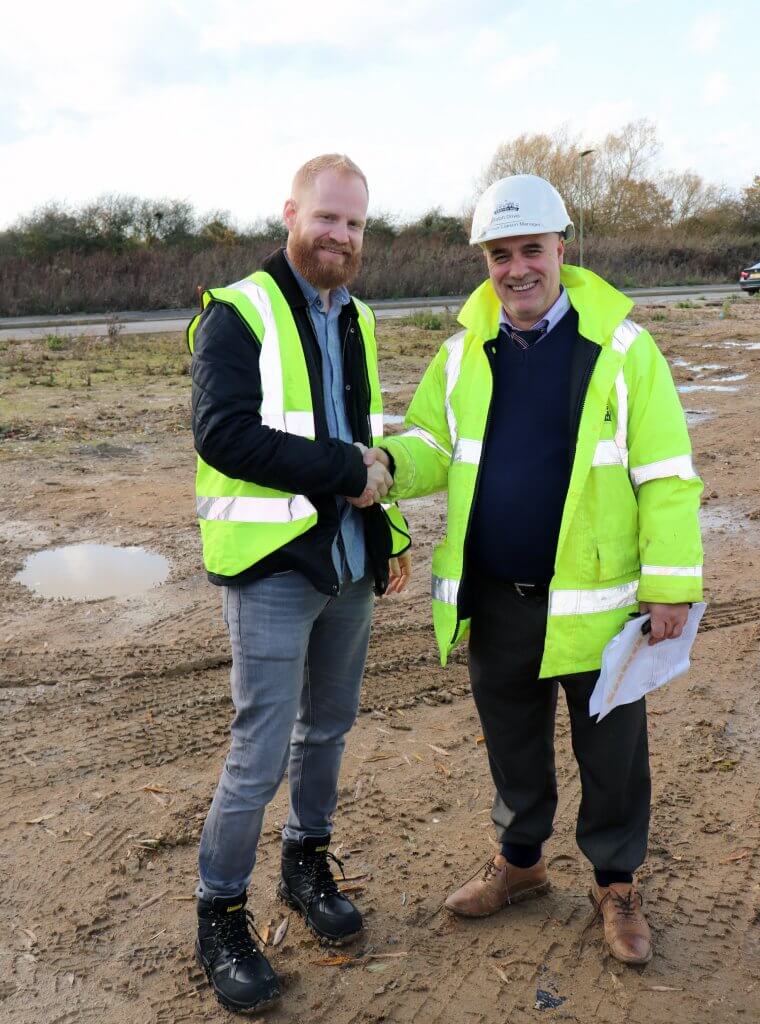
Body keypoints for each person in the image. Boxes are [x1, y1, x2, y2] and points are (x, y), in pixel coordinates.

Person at [363, 174, 703, 966]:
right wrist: (382, 462)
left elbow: (666, 473)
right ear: (485, 260)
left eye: (529, 250)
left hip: (600, 602)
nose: (515, 269)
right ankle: (520, 864)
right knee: (512, 743)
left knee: (611, 751)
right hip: (497, 593)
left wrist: (671, 584)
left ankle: (615, 883)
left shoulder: (622, 350)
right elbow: (432, 448)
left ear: (562, 246)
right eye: (498, 254)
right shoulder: (459, 356)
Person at [187, 153, 411, 1013]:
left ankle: (305, 866)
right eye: (327, 218)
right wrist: (345, 475)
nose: (341, 236)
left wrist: (384, 526)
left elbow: (365, 437)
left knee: (329, 731)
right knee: (257, 752)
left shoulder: (355, 316)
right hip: (272, 569)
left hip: (349, 562)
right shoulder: (237, 313)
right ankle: (220, 912)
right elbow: (224, 436)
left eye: (354, 224)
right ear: (290, 213)